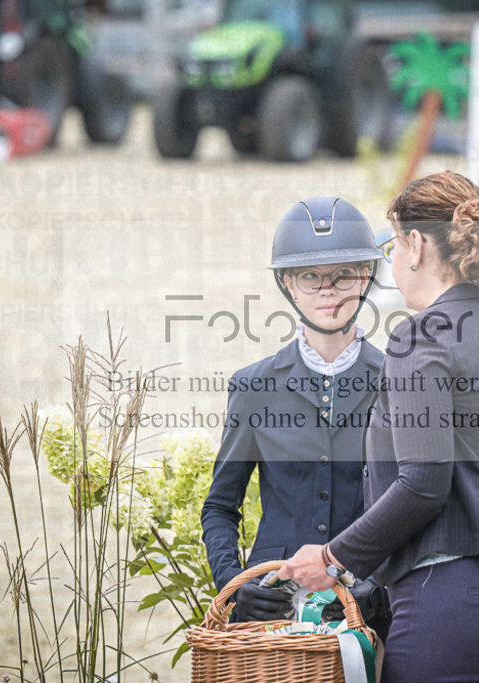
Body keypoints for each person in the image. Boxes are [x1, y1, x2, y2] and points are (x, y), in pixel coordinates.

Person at [281, 171, 479, 682]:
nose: (392, 260)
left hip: (456, 598)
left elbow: (423, 483)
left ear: (415, 245)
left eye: (392, 245)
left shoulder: (420, 337)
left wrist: (332, 558)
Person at [201, 195, 390, 636]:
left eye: (343, 275)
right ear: (288, 283)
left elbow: (414, 501)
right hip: (271, 609)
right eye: (310, 276)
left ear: (365, 277)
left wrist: (380, 590)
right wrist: (234, 585)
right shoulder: (253, 387)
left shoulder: (396, 381)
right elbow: (220, 507)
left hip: (361, 607)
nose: (327, 290)